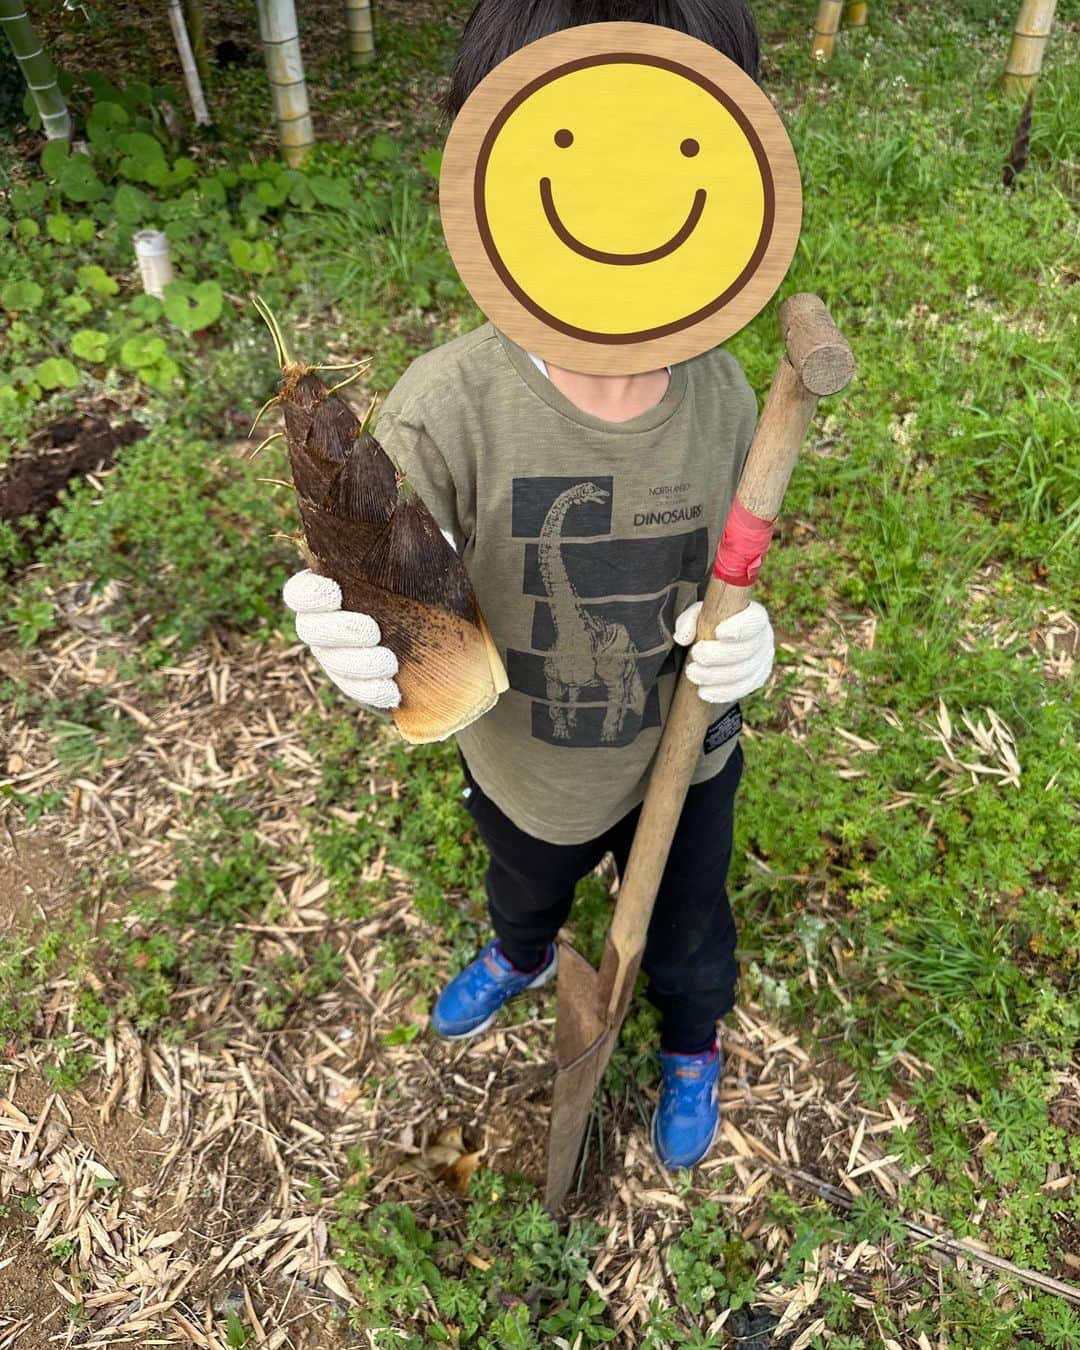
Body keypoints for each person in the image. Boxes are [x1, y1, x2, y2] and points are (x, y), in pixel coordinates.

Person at [283, 0, 774, 1172]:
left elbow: (741, 564)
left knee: (689, 932)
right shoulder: (447, 408)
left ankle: (693, 1042)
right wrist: (365, 632)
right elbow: (395, 567)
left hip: (682, 758)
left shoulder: (728, 401)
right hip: (520, 760)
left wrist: (751, 632)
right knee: (524, 884)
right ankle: (521, 953)